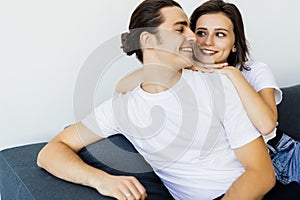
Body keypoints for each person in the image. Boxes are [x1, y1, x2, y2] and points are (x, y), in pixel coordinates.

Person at [37, 0, 275, 199]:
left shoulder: (218, 84)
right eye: (180, 29)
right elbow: (50, 152)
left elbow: (261, 173)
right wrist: (101, 180)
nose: (195, 38)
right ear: (148, 41)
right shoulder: (121, 109)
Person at [116, 0, 300, 187]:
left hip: (283, 154)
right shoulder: (186, 73)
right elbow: (122, 86)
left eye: (220, 34)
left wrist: (231, 74)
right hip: (241, 171)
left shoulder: (253, 71)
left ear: (234, 43)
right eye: (201, 33)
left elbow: (266, 125)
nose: (207, 42)